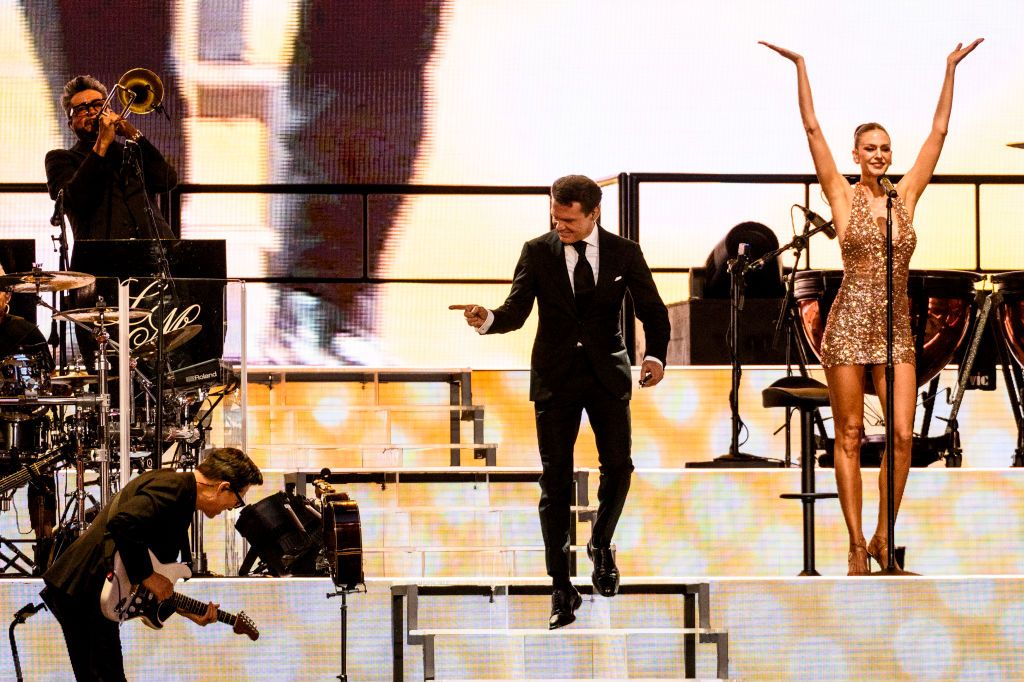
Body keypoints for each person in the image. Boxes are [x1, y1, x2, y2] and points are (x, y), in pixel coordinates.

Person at [760, 39, 983, 574]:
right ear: (856, 153)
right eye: (871, 148)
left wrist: (949, 67)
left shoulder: (904, 196)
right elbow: (812, 130)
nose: (880, 155)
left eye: (886, 148)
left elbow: (939, 134)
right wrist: (801, 67)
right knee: (852, 434)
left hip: (895, 327)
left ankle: (886, 536)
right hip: (849, 323)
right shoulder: (841, 195)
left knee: (903, 436)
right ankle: (857, 546)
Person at [450, 174, 670, 628]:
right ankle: (560, 587)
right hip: (555, 379)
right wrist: (486, 317)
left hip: (607, 375)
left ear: (594, 214)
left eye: (569, 219)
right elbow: (515, 311)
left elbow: (654, 311)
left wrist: (654, 357)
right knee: (555, 483)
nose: (560, 226)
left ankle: (600, 543)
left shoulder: (625, 252)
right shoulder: (537, 251)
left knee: (619, 467)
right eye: (555, 217)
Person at [40, 447, 263, 680]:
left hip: (89, 589)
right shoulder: (173, 489)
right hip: (85, 586)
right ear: (222, 487)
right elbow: (123, 523)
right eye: (237, 500)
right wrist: (148, 576)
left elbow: (151, 566)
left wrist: (183, 609)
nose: (231, 507)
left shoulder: (179, 492)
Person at [44, 74, 178, 242]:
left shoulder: (132, 151)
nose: (92, 112)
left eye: (98, 105)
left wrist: (131, 132)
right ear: (70, 123)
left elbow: (167, 180)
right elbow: (75, 199)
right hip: (100, 257)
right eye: (82, 109)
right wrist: (102, 143)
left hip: (154, 252)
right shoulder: (60, 159)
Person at [0, 270, 58, 571]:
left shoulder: (26, 331)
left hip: (25, 425)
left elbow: (47, 379)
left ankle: (45, 550)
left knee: (43, 469)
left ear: (7, 296)